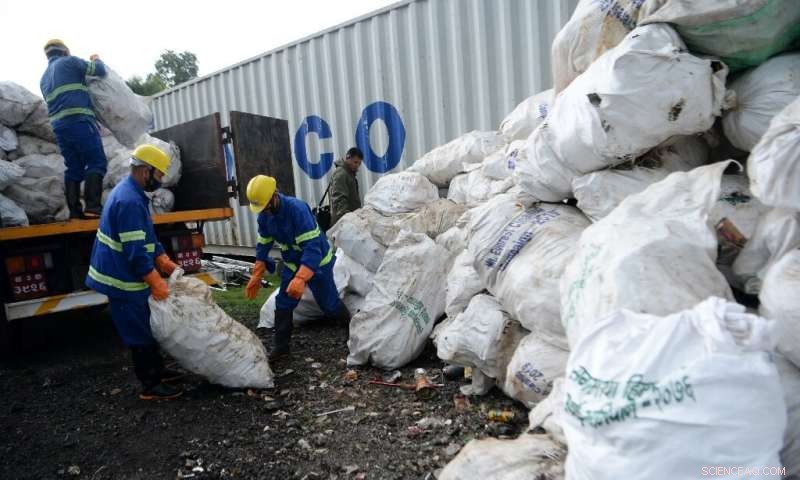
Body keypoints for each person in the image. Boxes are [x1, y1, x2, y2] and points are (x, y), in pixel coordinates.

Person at [85, 144, 184, 400]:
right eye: (159, 175)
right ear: (145, 171)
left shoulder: (134, 194)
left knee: (146, 323)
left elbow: (145, 237)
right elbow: (136, 252)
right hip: (120, 278)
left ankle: (159, 369)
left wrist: (162, 258)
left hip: (125, 272)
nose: (160, 181)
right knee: (137, 329)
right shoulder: (129, 200)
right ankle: (150, 384)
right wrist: (155, 282)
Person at [244, 175, 350, 361]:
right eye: (261, 209)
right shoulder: (265, 217)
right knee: (283, 302)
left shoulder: (297, 210)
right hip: (292, 264)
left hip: (318, 264)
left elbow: (313, 249)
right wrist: (257, 272)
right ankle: (281, 347)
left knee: (329, 305)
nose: (265, 212)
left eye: (266, 207)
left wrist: (301, 278)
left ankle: (351, 330)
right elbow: (264, 242)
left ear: (274, 196)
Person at [40, 39, 108, 219]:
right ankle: (93, 207)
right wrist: (96, 59)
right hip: (79, 121)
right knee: (97, 161)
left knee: (73, 167)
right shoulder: (70, 62)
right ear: (64, 51)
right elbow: (99, 71)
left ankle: (75, 212)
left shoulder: (44, 78)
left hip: (59, 128)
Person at [329, 147, 362, 225]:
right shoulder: (341, 174)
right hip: (343, 222)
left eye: (359, 163)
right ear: (348, 158)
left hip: (350, 220)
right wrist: (346, 220)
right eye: (355, 162)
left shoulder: (349, 174)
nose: (357, 165)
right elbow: (339, 199)